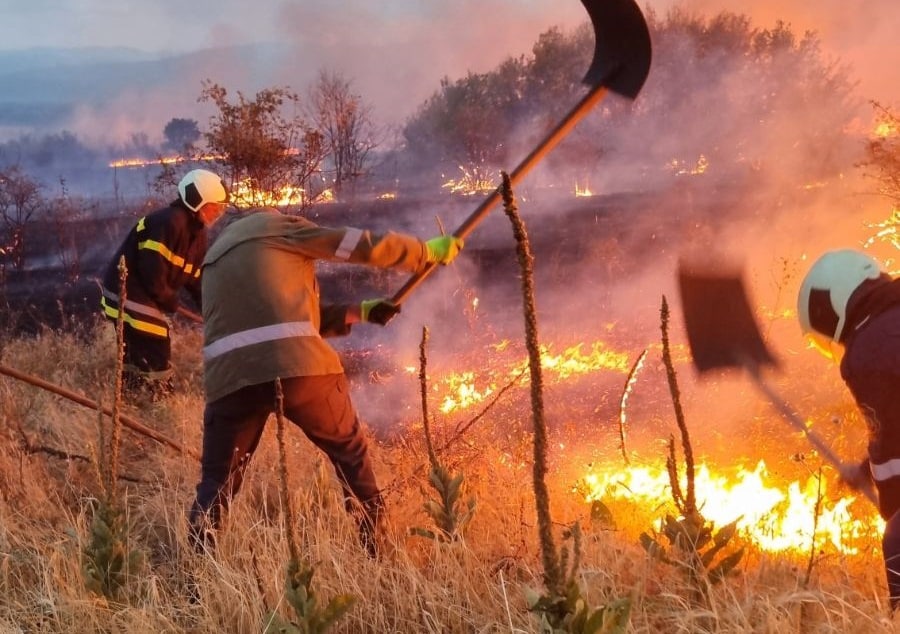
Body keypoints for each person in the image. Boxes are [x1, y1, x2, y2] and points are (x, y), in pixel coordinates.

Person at [187, 208, 463, 557]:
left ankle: (198, 569)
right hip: (300, 371)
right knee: (349, 454)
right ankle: (376, 550)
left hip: (229, 384)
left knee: (216, 483)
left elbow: (280, 319)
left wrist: (360, 311)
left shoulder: (212, 260)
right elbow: (354, 245)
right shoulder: (278, 227)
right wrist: (424, 252)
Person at [798, 248, 900, 610]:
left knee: (898, 540)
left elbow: (891, 448)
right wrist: (865, 470)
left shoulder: (865, 351)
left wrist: (890, 505)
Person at [100, 169, 229, 397]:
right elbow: (153, 272)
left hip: (147, 293)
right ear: (196, 201)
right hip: (126, 291)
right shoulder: (168, 222)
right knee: (156, 340)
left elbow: (194, 277)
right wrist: (169, 300)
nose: (218, 211)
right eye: (214, 206)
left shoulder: (197, 235)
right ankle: (157, 399)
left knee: (139, 347)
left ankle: (132, 394)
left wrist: (209, 310)